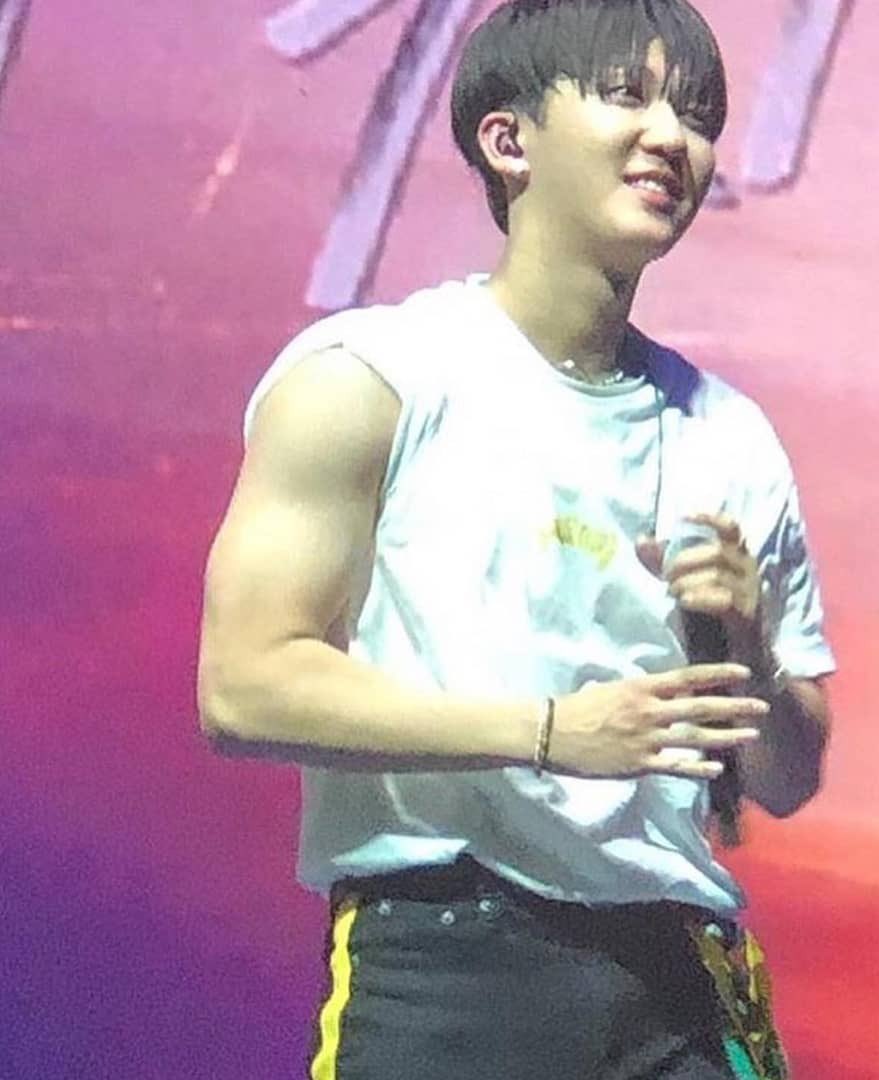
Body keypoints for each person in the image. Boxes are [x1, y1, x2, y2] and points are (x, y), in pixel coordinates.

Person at [197, 1, 836, 1077]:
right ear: (509, 139)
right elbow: (245, 686)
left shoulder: (731, 435)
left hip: (678, 975)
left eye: (695, 114)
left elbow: (788, 776)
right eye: (628, 97)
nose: (672, 138)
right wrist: (547, 732)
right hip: (448, 960)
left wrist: (750, 644)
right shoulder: (375, 377)